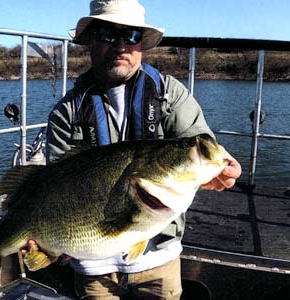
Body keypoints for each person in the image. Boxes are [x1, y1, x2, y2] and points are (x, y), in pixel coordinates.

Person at [23, 0, 242, 299]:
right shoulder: (66, 113)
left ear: (142, 44)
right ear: (90, 41)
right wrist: (41, 243)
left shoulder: (170, 94)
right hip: (92, 268)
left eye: (132, 36)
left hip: (159, 259)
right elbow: (54, 185)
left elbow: (199, 140)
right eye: (108, 34)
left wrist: (221, 164)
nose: (121, 45)